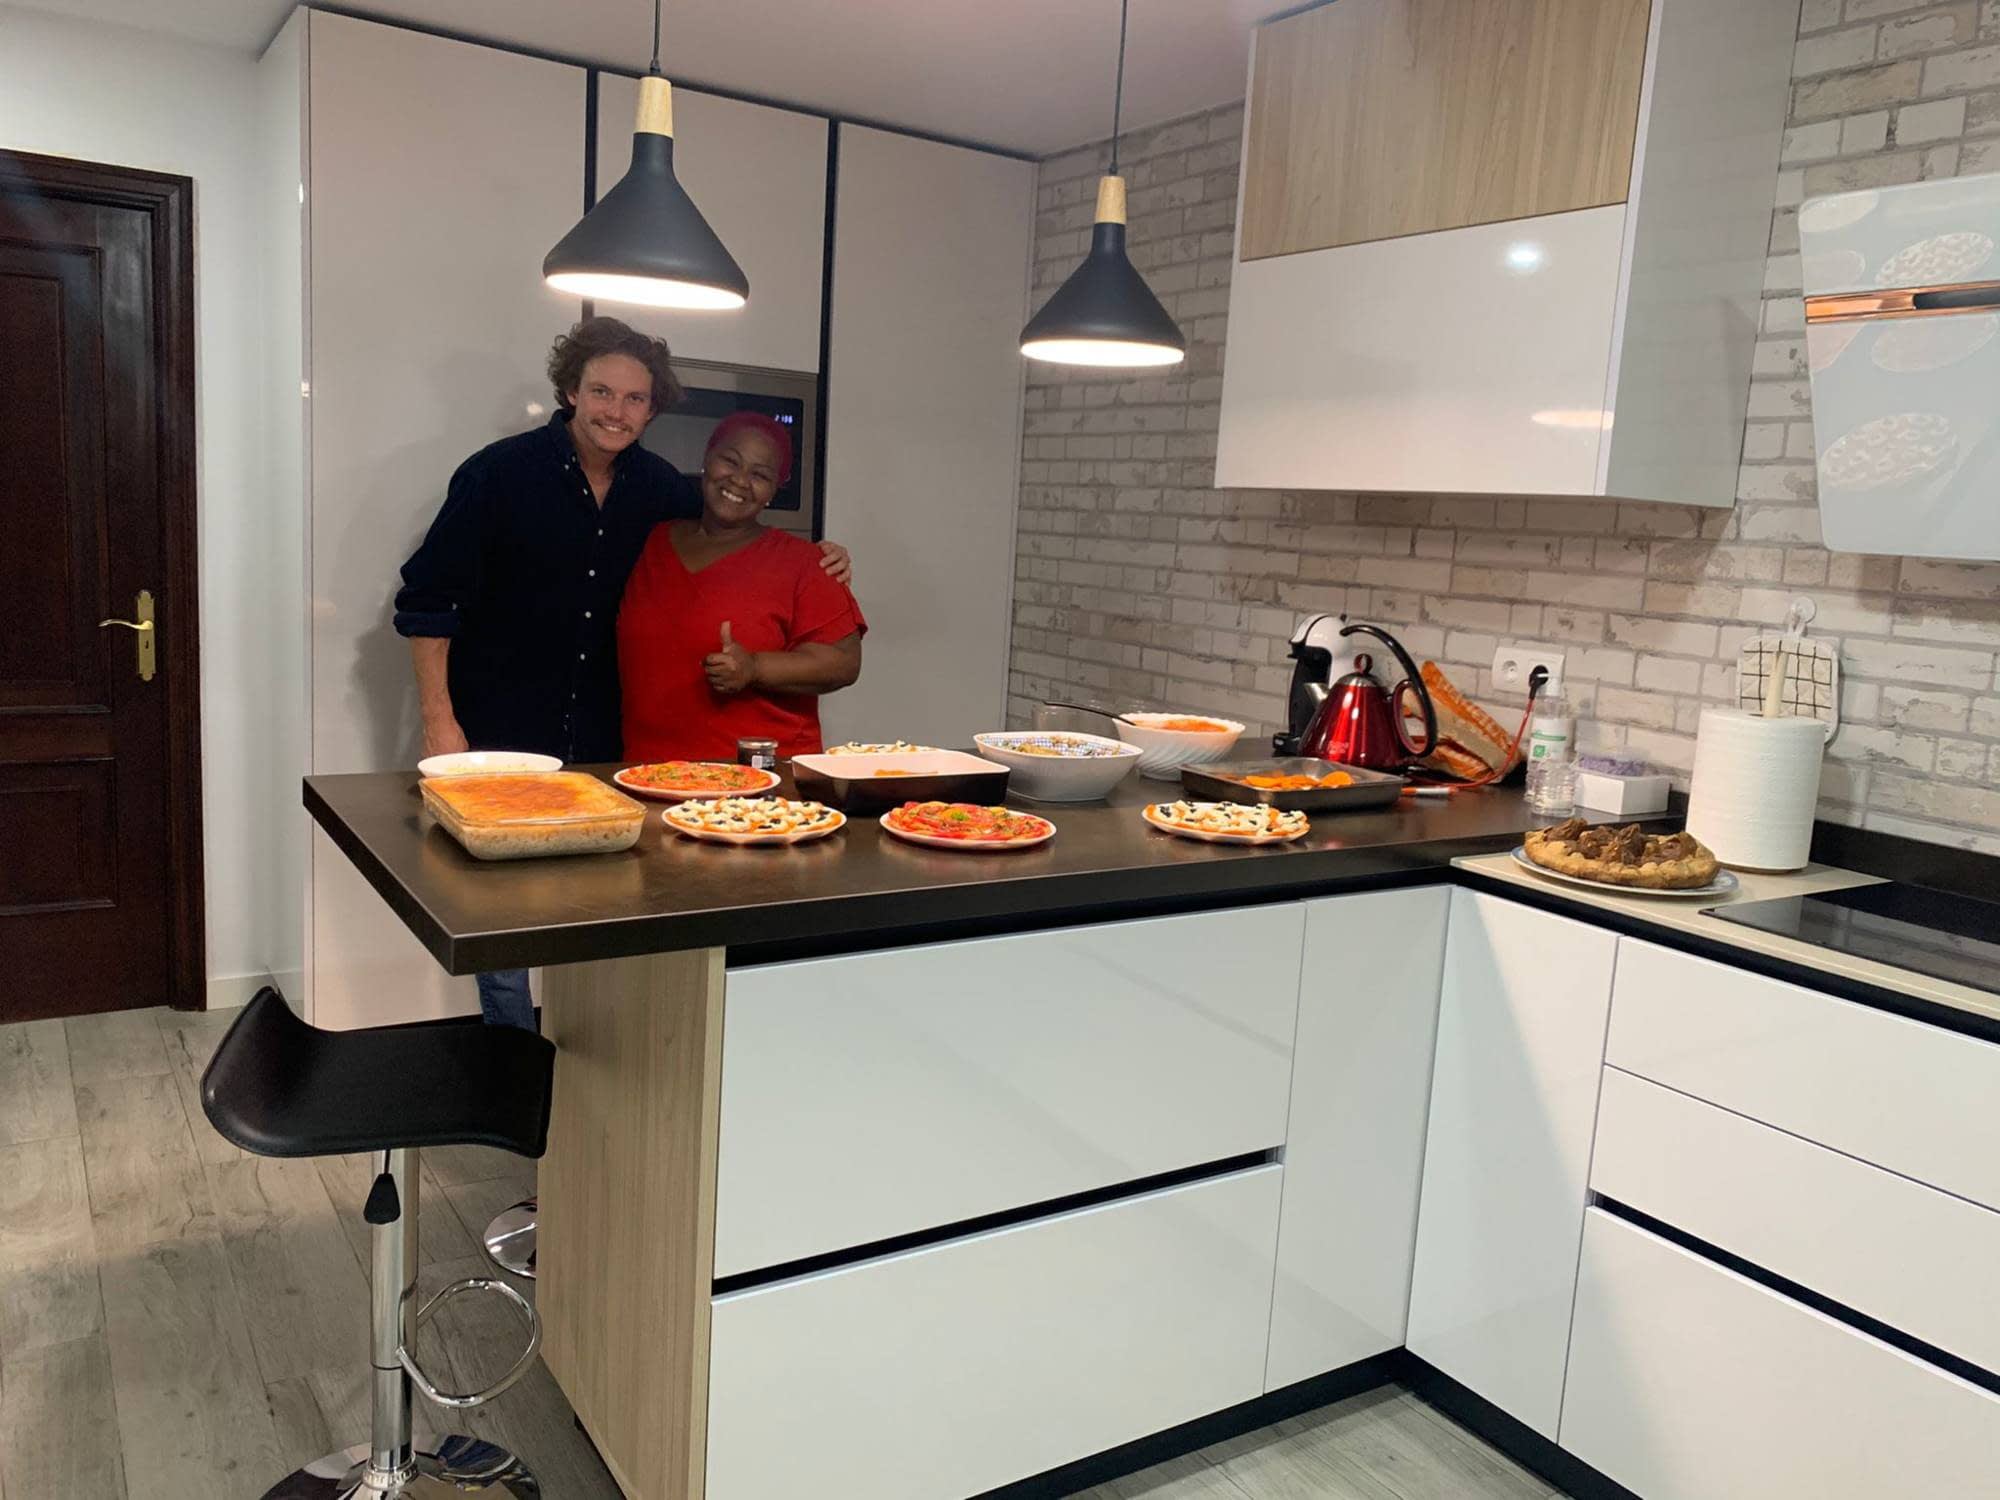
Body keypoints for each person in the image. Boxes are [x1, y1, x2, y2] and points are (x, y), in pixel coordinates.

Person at [395, 319, 850, 1031]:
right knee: (502, 915)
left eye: (635, 398)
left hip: (608, 745)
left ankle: (594, 1057)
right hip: (504, 732)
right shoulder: (497, 474)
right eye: (602, 391)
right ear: (571, 391)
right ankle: (515, 1052)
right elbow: (428, 602)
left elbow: (725, 535)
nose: (617, 410)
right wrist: (439, 722)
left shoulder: (659, 490)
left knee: (597, 910)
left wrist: (825, 557)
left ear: (652, 408)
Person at [619, 411, 864, 761]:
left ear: (775, 489)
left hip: (759, 780)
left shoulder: (806, 563)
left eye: (760, 475)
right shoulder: (653, 541)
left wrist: (755, 668)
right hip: (646, 772)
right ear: (707, 458)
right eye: (730, 461)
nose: (739, 480)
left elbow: (843, 662)